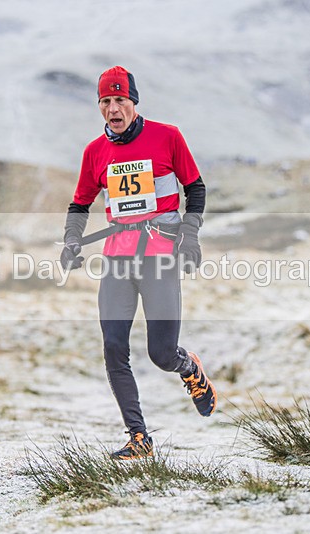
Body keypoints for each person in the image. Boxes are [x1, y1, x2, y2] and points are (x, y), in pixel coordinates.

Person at [59, 66, 217, 460]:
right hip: (117, 260)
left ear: (134, 103)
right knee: (114, 347)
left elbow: (194, 188)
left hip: (159, 257)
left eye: (120, 101)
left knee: (161, 354)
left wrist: (191, 233)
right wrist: (71, 240)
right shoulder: (95, 152)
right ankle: (138, 437)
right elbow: (80, 203)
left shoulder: (168, 136)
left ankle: (189, 367)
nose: (114, 109)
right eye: (106, 102)